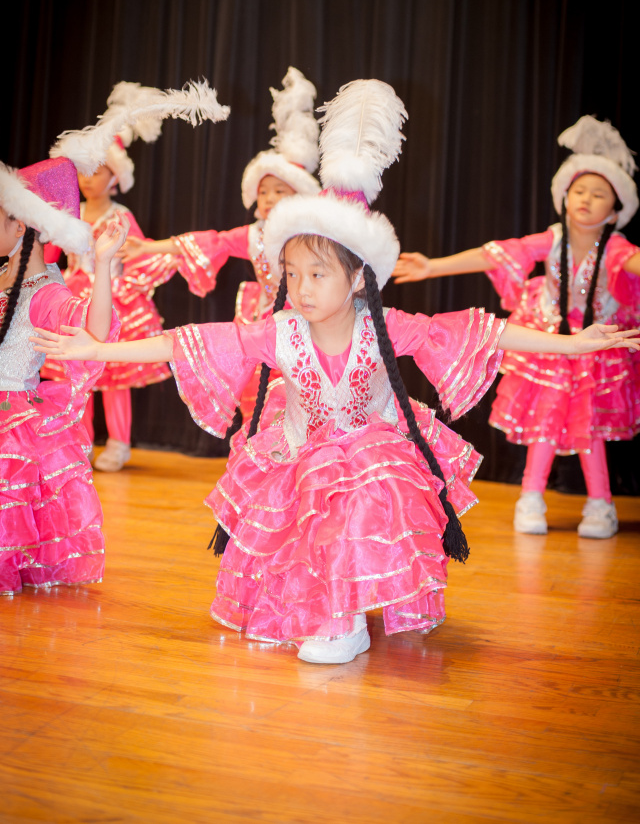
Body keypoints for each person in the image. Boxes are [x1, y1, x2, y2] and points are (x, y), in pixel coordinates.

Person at [33, 84, 640, 663]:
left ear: (356, 278)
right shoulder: (278, 331)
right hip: (302, 452)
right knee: (313, 495)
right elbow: (183, 343)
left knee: (366, 481)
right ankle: (333, 614)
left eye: (317, 274)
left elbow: (485, 331)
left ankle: (344, 619)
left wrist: (571, 343)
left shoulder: (386, 326)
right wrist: (98, 350)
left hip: (370, 450)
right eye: (293, 274)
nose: (300, 288)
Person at [393, 116, 640, 539]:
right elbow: (495, 254)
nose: (586, 199)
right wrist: (432, 266)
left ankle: (601, 504)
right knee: (544, 422)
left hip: (594, 349)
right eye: (579, 190)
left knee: (590, 425)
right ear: (564, 196)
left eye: (599, 194)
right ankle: (531, 497)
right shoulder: (553, 239)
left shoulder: (617, 249)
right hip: (550, 343)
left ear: (616, 209)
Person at [43, 80, 231, 471]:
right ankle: (78, 440)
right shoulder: (69, 216)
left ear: (115, 178)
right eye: (84, 172)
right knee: (75, 373)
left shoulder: (121, 215)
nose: (89, 179)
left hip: (111, 297)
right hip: (74, 299)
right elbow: (52, 256)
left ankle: (119, 442)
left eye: (99, 171)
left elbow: (139, 253)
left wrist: (125, 285)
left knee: (114, 377)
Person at [119, 67, 320, 421]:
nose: (269, 198)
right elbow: (207, 242)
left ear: (298, 195)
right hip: (263, 320)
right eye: (264, 191)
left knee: (302, 390)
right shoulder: (253, 235)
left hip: (307, 321)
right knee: (258, 390)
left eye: (279, 190)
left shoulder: (314, 237)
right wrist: (148, 248)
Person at [0, 149, 125, 595]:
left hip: (11, 420)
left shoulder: (45, 294)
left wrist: (103, 265)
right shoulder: (4, 277)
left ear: (21, 226)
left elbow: (95, 330)